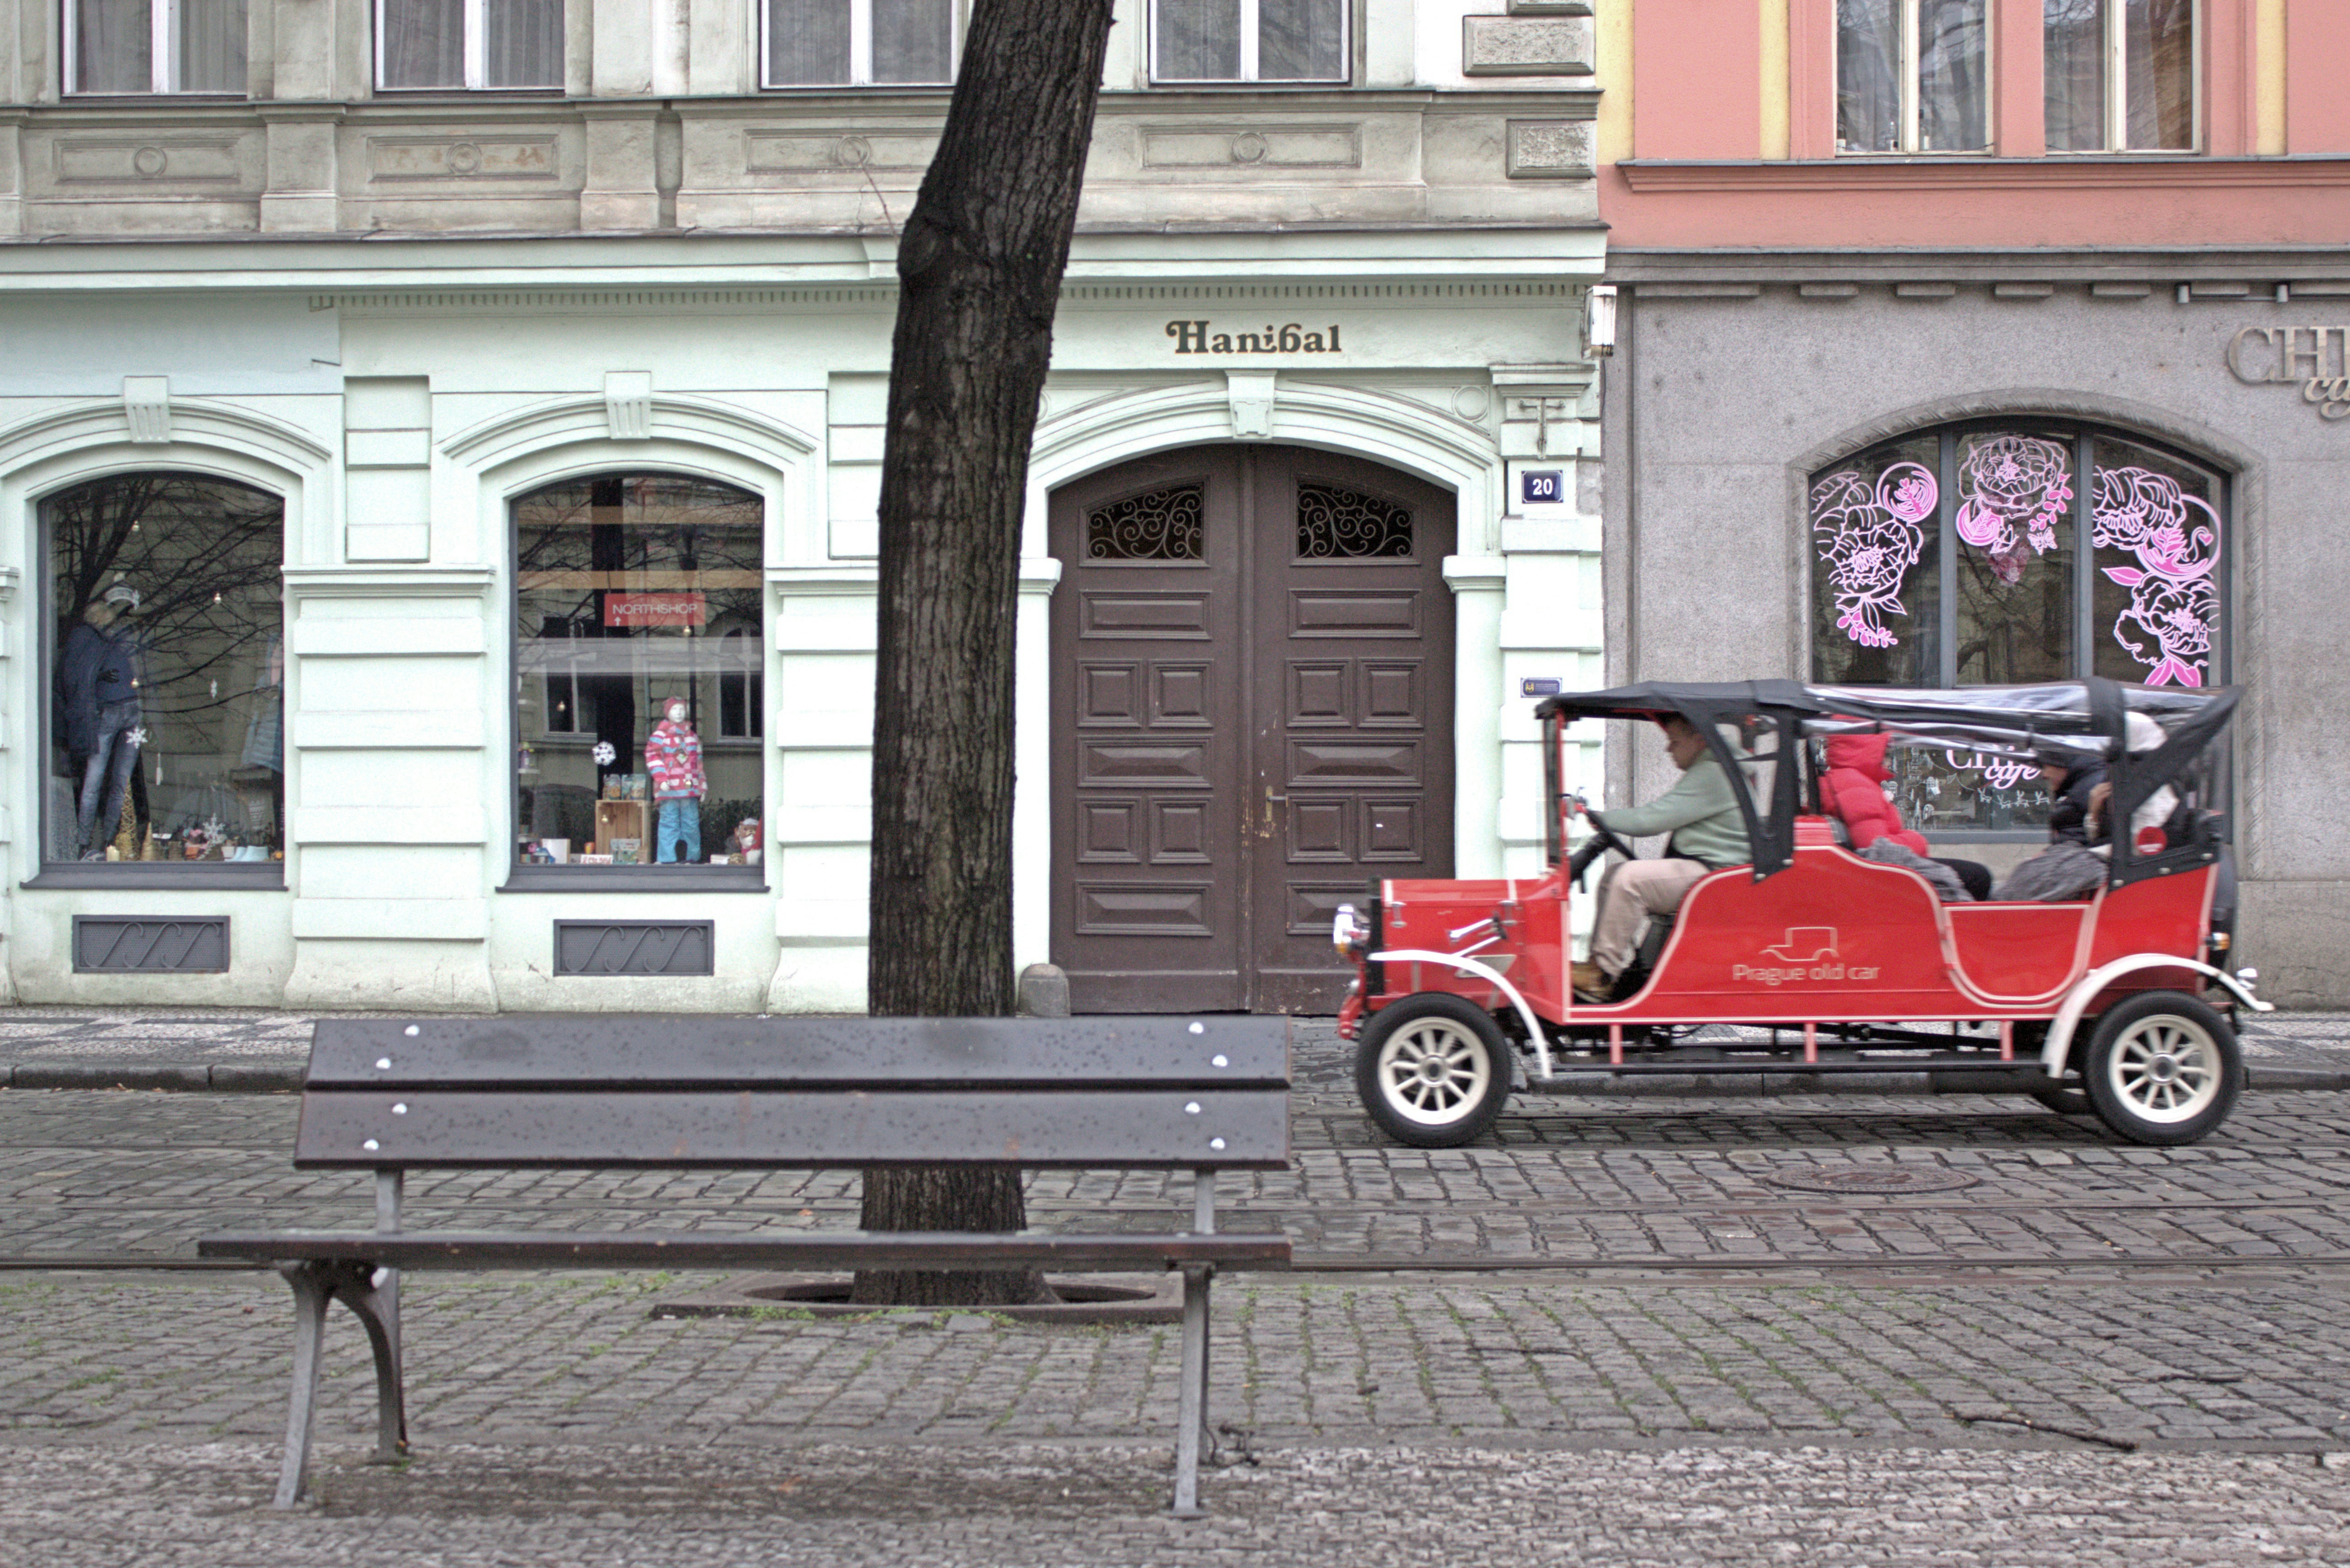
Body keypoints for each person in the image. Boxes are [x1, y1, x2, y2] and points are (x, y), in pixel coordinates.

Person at [1571, 714, 1753, 997]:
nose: (1669, 750)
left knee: (1629, 880)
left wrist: (1599, 817)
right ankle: (1605, 967)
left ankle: (1601, 975)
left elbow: (1651, 820)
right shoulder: (1714, 769)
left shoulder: (1715, 773)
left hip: (1718, 877)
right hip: (1713, 872)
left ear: (1700, 740)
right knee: (1613, 876)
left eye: (1675, 742)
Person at [1820, 730, 1993, 900]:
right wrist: (1916, 840)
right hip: (1887, 874)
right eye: (1885, 754)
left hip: (1879, 869)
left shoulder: (1849, 780)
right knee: (1978, 876)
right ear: (1868, 753)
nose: (1889, 762)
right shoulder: (1856, 786)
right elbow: (1877, 848)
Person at [59, 582, 145, 861]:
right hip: (108, 712)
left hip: (127, 709)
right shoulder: (90, 638)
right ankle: (86, 843)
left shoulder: (116, 639)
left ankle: (106, 841)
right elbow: (74, 676)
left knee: (115, 780)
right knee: (99, 780)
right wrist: (97, 678)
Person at [644, 697, 706, 863]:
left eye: (681, 709)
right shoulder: (659, 736)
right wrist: (661, 778)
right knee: (669, 823)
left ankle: (692, 858)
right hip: (669, 786)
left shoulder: (692, 737)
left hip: (688, 786)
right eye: (674, 709)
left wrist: (702, 786)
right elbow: (652, 757)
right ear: (667, 713)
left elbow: (698, 764)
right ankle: (667, 859)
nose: (679, 712)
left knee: (691, 823)